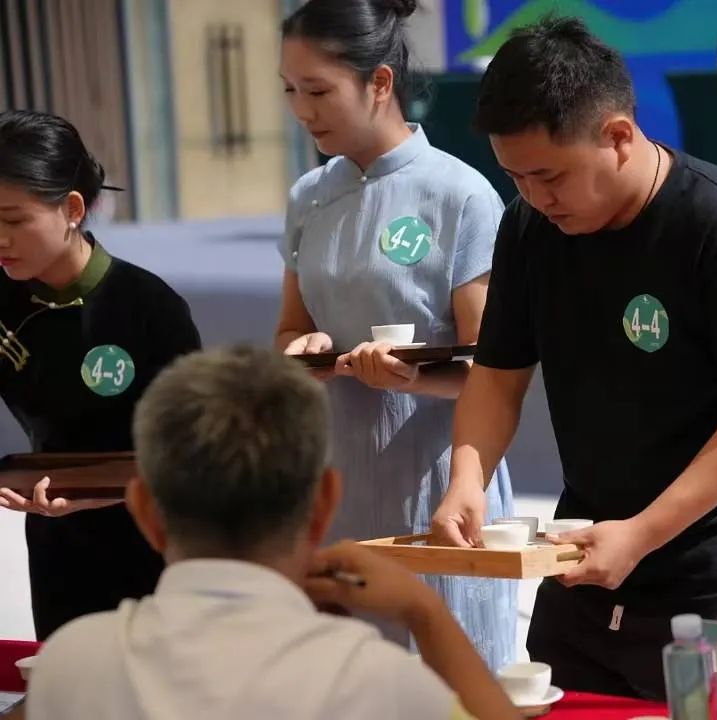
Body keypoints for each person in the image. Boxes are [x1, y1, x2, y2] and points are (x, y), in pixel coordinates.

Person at [431, 17, 717, 700]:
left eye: (549, 175)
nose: (533, 196)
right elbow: (497, 375)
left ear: (617, 135)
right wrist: (467, 475)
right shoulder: (530, 227)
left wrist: (642, 534)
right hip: (583, 560)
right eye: (515, 176)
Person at [25, 346, 518, 720]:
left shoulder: (69, 666)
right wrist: (425, 612)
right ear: (325, 501)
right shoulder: (374, 682)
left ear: (144, 511)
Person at [275, 0, 515, 669]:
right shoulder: (308, 197)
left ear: (380, 83)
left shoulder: (459, 195)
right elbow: (289, 331)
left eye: (318, 90)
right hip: (338, 476)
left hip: (435, 481)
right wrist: (307, 351)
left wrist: (414, 374)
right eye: (291, 90)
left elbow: (494, 367)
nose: (302, 109)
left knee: (445, 676)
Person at [0, 109, 201, 640]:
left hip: (154, 545)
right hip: (54, 548)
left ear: (71, 209)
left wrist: (94, 493)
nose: (0, 238)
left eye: (14, 220)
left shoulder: (149, 307)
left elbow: (191, 455)